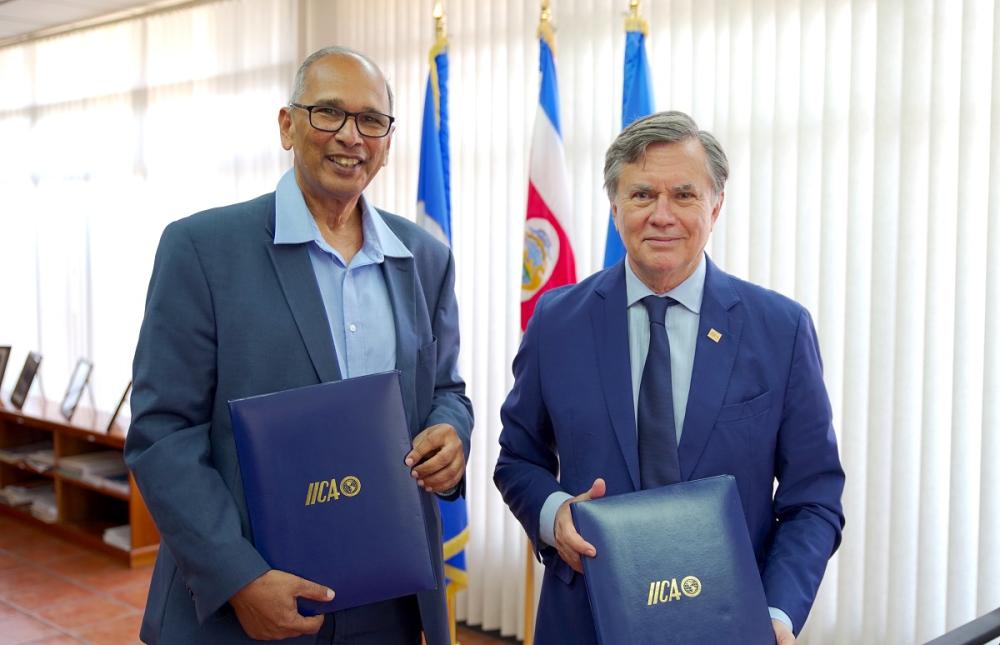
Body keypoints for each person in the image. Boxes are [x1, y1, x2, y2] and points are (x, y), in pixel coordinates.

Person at [124, 46, 473, 644]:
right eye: (327, 113)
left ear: (387, 138)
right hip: (244, 607)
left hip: (386, 601)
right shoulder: (202, 250)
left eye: (371, 120)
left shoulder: (425, 258)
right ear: (287, 126)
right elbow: (162, 435)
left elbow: (445, 389)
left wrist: (452, 434)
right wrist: (239, 580)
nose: (351, 137)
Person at [494, 111, 845, 645]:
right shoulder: (556, 322)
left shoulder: (781, 329)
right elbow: (517, 458)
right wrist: (553, 512)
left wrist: (775, 613)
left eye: (684, 195)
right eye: (641, 196)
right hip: (584, 618)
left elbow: (813, 500)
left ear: (715, 206)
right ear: (614, 207)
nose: (662, 215)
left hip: (730, 624)